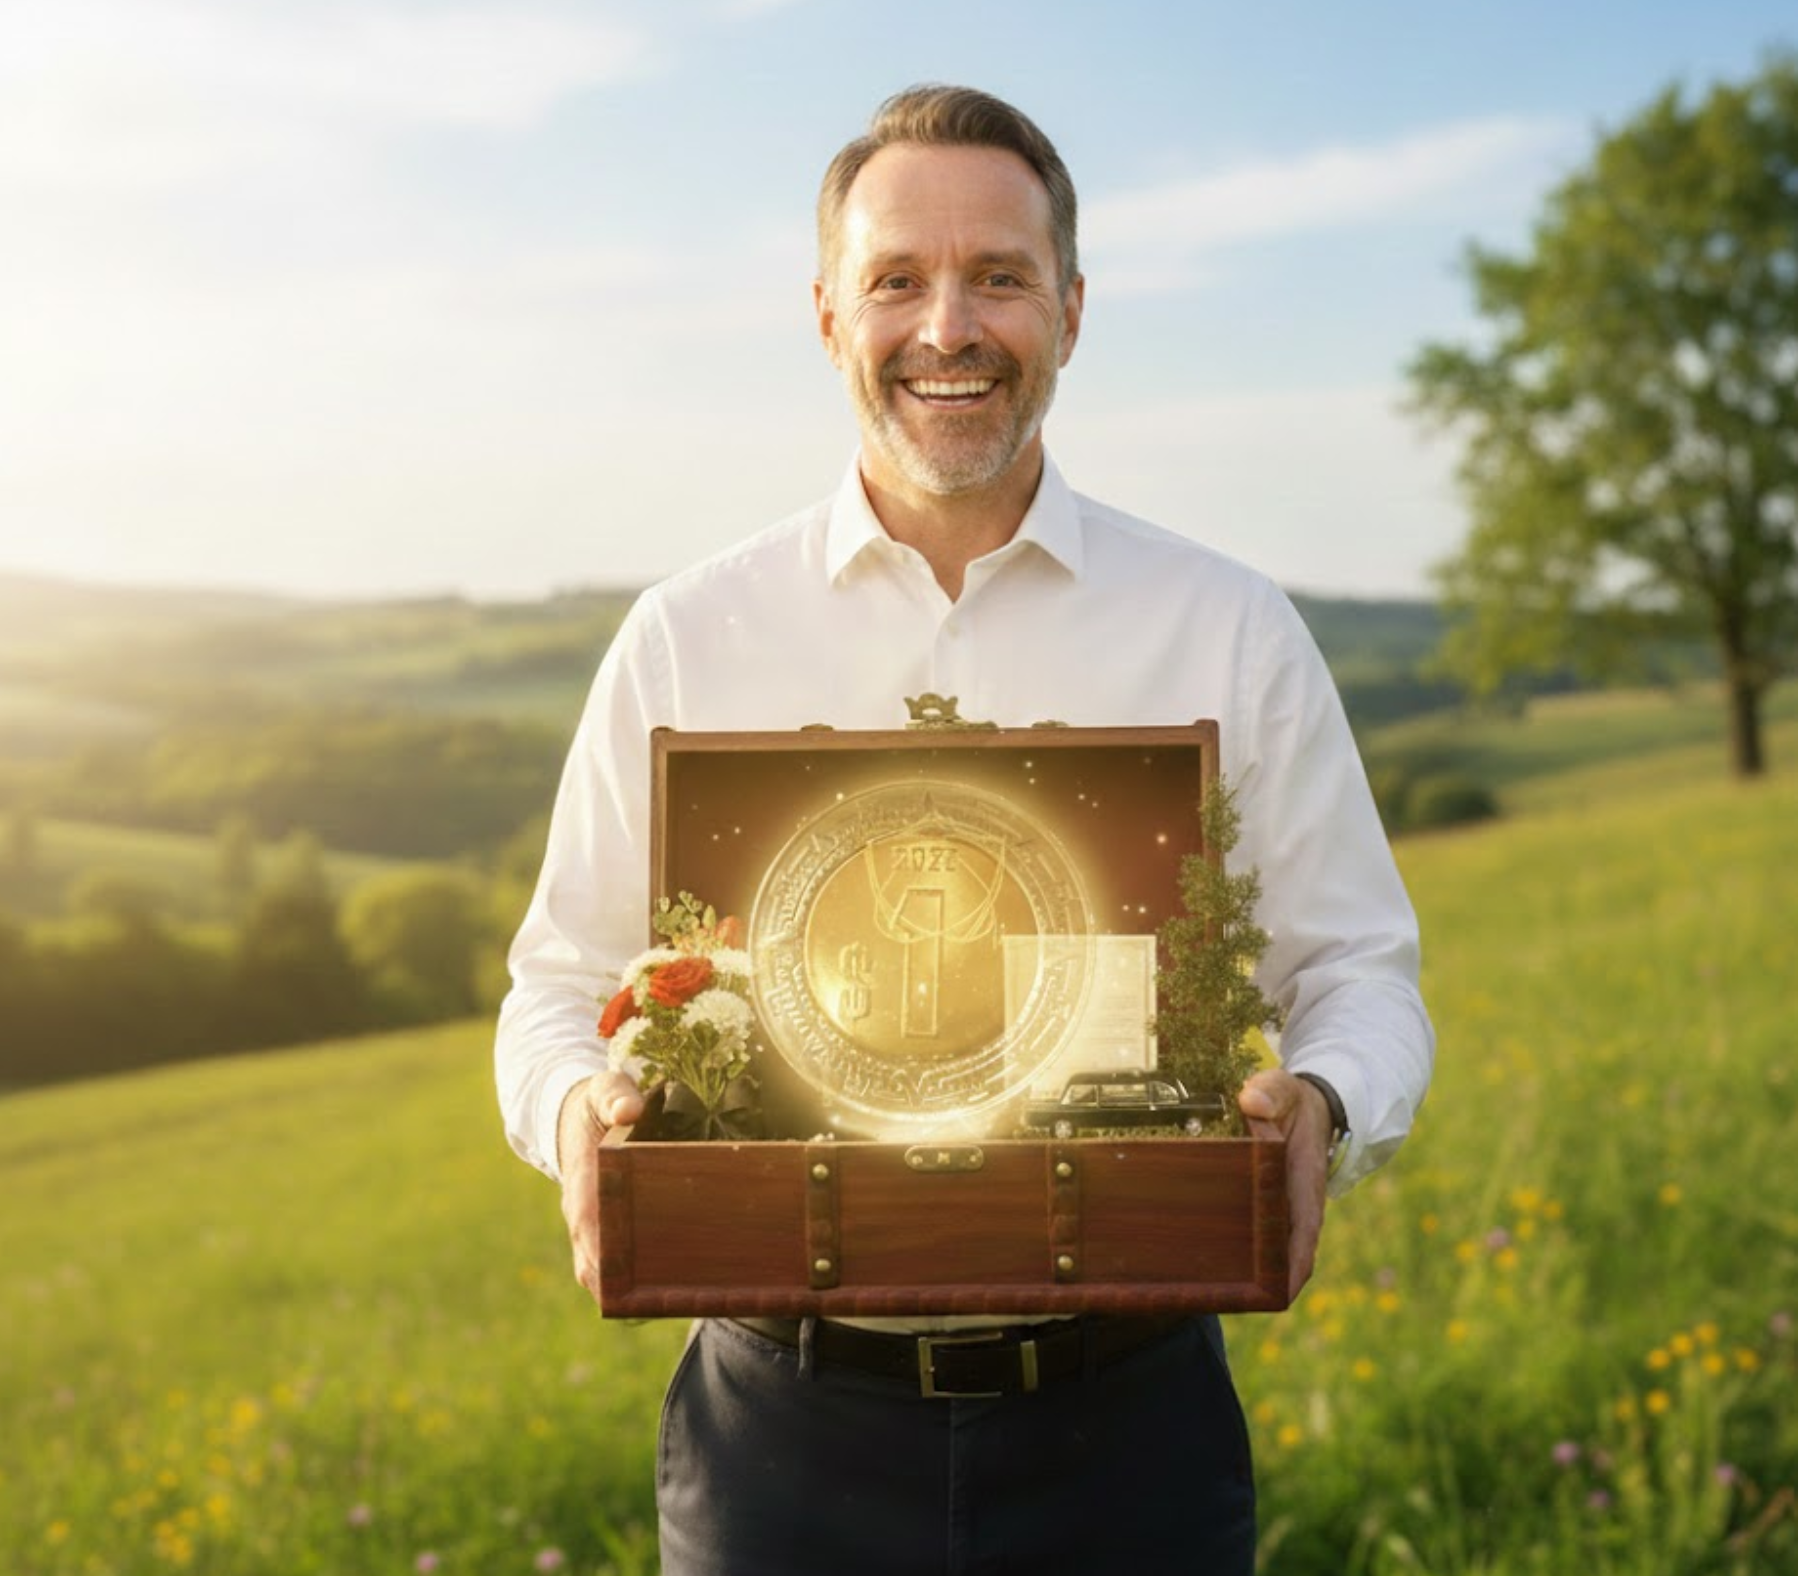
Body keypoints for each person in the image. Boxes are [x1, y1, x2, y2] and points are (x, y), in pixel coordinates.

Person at [496, 83, 1434, 1575]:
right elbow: (552, 992)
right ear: (825, 317)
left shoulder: (1229, 629)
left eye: (997, 276)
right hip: (779, 1445)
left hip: (1128, 1439)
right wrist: (579, 1124)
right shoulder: (688, 637)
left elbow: (1363, 972)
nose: (949, 326)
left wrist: (1321, 1101)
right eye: (896, 281)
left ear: (1069, 308)